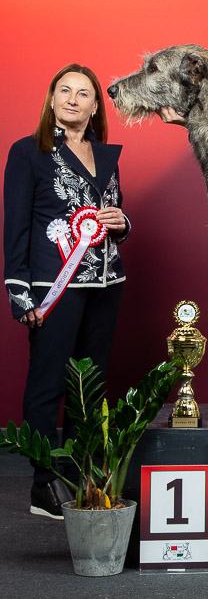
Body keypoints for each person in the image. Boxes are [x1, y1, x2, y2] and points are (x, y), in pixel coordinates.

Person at [3, 64, 129, 519]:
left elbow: (114, 214)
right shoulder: (28, 152)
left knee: (88, 389)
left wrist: (122, 222)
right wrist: (20, 293)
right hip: (52, 289)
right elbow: (15, 228)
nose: (73, 99)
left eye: (83, 93)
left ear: (96, 106)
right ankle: (44, 484)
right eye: (65, 90)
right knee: (47, 385)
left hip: (106, 285)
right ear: (52, 99)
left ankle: (79, 478)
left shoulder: (106, 154)